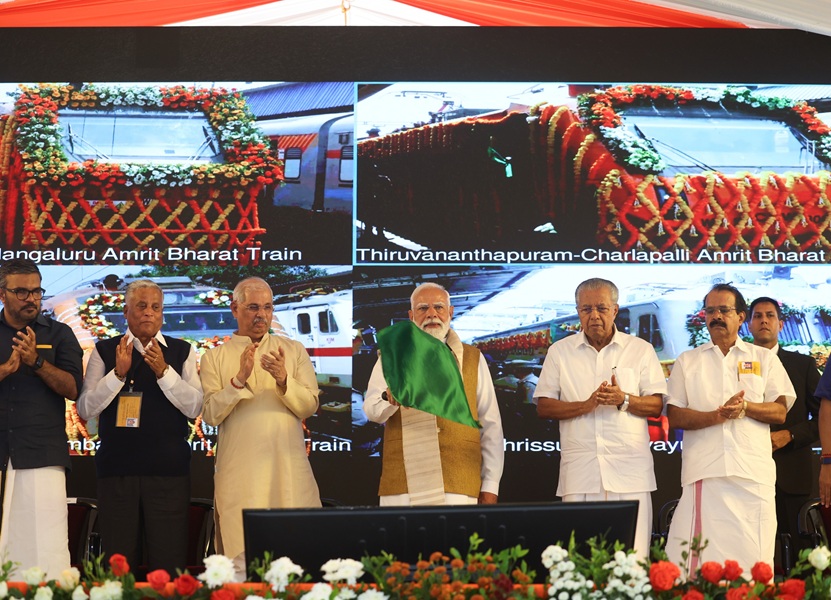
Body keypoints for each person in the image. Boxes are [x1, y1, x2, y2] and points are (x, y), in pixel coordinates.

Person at [666, 284, 794, 576]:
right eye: (710, 311)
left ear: (740, 316)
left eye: (724, 310)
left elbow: (779, 411)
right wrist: (717, 416)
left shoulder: (763, 358)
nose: (716, 317)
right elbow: (675, 415)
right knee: (697, 563)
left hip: (752, 474)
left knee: (754, 560)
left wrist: (745, 408)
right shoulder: (688, 361)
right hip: (705, 473)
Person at [77, 279, 203, 576]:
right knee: (118, 564)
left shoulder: (181, 351)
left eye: (156, 307)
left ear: (162, 314)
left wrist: (163, 372)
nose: (149, 312)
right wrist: (117, 375)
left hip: (168, 474)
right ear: (126, 311)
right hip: (117, 472)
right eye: (141, 306)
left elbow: (195, 407)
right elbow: (85, 409)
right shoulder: (105, 350)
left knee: (168, 562)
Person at [533, 278, 666, 559]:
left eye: (602, 308)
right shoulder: (560, 352)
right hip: (580, 475)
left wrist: (624, 399)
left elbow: (656, 405)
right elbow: (544, 406)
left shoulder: (640, 349)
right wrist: (586, 405)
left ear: (615, 310)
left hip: (630, 474)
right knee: (580, 561)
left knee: (632, 560)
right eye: (586, 309)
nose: (594, 316)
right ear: (578, 312)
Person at [200, 277, 321, 579]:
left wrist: (283, 379)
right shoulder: (215, 357)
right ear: (234, 309)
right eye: (253, 307)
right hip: (240, 473)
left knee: (296, 560)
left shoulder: (293, 351)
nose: (261, 315)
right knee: (240, 564)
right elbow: (211, 414)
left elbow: (309, 405)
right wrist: (239, 379)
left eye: (267, 307)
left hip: (288, 470)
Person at [364, 282, 504, 505]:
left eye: (438, 307)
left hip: (460, 481)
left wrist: (490, 485)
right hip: (404, 484)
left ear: (450, 312)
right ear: (411, 316)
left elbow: (491, 425)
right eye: (423, 308)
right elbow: (371, 411)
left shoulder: (473, 358)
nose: (431, 314)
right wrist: (390, 399)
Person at [0, 258, 83, 578]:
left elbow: (73, 388)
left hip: (41, 452)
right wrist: (5, 370)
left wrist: (36, 362)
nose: (31, 298)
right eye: (21, 292)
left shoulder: (59, 333)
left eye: (36, 291)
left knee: (43, 545)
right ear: (3, 294)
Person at [748, 296, 820, 560]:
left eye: (770, 315)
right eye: (757, 316)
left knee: (799, 557)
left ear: (780, 324)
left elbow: (824, 418)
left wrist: (790, 435)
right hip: (746, 472)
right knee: (750, 552)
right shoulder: (735, 363)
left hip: (791, 474)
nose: (763, 321)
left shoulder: (803, 365)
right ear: (748, 324)